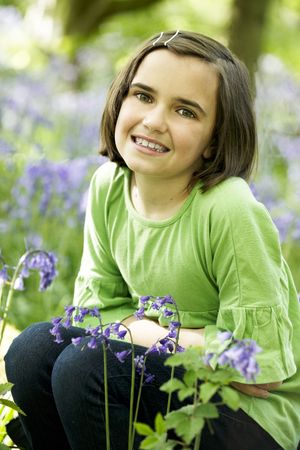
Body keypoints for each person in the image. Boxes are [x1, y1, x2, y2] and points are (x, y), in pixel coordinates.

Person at [5, 30, 300, 450]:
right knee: (32, 351)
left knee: (88, 368)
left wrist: (140, 331)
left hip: (251, 418)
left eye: (185, 111)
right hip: (179, 378)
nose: (155, 120)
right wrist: (153, 333)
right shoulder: (109, 185)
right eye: (143, 96)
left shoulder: (228, 209)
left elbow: (261, 365)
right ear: (120, 99)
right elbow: (90, 316)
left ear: (214, 139)